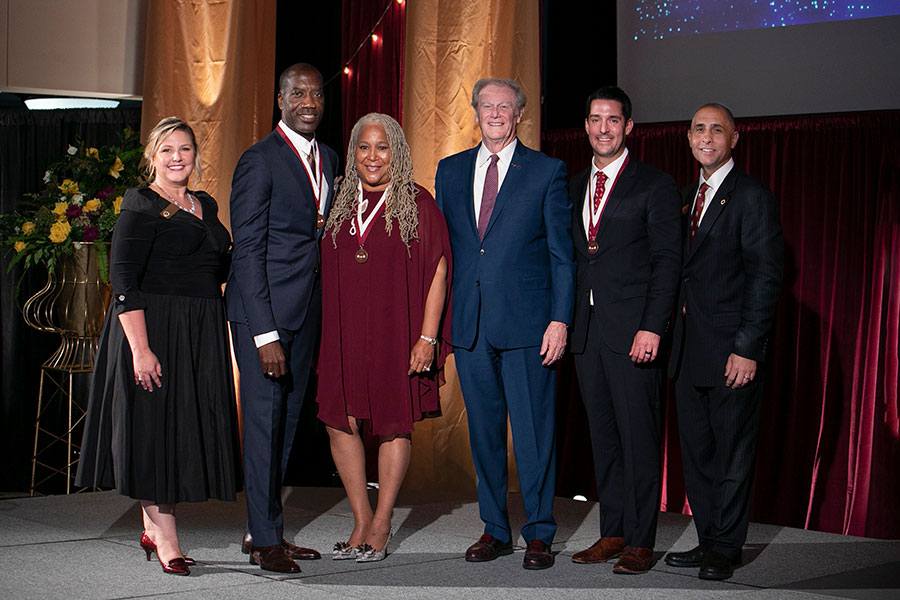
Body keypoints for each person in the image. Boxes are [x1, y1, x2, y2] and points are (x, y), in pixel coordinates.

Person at [76, 117, 242, 576]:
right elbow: (123, 280)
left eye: (185, 149)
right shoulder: (140, 205)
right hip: (152, 330)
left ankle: (153, 528)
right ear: (153, 155)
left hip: (198, 331)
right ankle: (166, 537)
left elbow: (220, 267)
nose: (177, 158)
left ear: (195, 155)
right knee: (154, 433)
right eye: (167, 149)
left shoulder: (204, 205)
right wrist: (140, 349)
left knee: (176, 432)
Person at [434, 78, 574, 570]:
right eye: (487, 106)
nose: (495, 113)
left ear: (519, 115)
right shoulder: (449, 172)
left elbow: (562, 255)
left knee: (534, 434)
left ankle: (538, 533)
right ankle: (494, 528)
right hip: (470, 327)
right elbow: (444, 256)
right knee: (484, 436)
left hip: (529, 327)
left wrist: (560, 320)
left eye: (505, 107)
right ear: (475, 112)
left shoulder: (546, 171)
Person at [316, 112, 451, 563]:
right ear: (353, 152)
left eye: (382, 147)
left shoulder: (416, 201)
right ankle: (359, 518)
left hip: (397, 332)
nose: (372, 157)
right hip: (343, 331)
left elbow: (438, 269)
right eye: (363, 147)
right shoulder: (339, 200)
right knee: (340, 420)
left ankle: (382, 521)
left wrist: (428, 338)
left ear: (397, 152)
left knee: (394, 421)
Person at [226, 63, 338, 573]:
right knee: (265, 424)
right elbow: (246, 251)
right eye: (298, 93)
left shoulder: (330, 158)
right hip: (263, 318)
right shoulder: (259, 160)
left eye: (315, 93)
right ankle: (266, 538)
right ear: (280, 99)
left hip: (306, 313)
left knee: (287, 426)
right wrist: (264, 333)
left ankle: (264, 527)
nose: (308, 101)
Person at [665, 103, 783, 581]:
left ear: (734, 139)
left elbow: (766, 276)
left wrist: (749, 347)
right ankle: (708, 539)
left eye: (717, 129)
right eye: (699, 129)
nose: (707, 137)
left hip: (733, 351)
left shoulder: (751, 196)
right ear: (689, 138)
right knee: (697, 453)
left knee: (733, 452)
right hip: (688, 351)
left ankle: (726, 549)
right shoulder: (687, 194)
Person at [568, 87, 682, 574]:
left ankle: (641, 539)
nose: (603, 128)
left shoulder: (654, 185)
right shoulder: (574, 185)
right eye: (595, 119)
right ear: (587, 126)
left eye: (613, 120)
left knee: (638, 438)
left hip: (635, 333)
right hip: (587, 333)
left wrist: (652, 326)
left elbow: (667, 262)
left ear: (628, 126)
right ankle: (612, 532)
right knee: (604, 438)